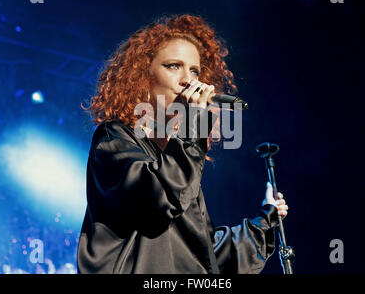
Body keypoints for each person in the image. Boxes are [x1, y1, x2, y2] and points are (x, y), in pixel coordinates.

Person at [77, 14, 288, 274]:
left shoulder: (178, 157)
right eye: (174, 66)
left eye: (195, 71)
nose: (189, 80)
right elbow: (157, 201)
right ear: (142, 77)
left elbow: (202, 255)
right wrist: (193, 127)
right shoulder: (114, 139)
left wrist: (266, 219)